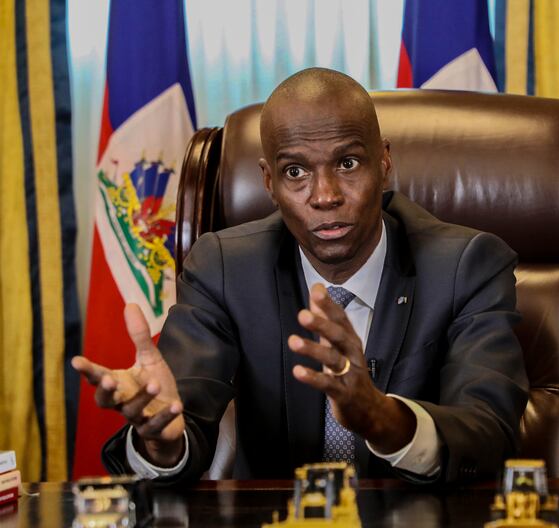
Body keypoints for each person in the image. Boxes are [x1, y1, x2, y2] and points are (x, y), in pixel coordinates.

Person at [72, 68, 528, 485]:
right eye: (295, 172)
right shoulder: (224, 268)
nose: (325, 195)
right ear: (268, 181)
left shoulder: (466, 266)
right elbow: (181, 416)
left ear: (384, 161)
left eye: (348, 163)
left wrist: (382, 417)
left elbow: (489, 433)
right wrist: (163, 441)